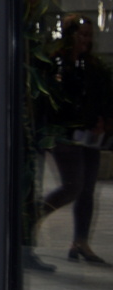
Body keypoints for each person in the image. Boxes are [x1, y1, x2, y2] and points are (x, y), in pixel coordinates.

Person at [39, 14, 113, 265]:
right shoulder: (57, 63)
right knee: (73, 186)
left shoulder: (92, 65)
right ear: (70, 36)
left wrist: (102, 121)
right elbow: (56, 101)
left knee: (87, 190)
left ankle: (80, 241)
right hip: (65, 134)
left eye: (89, 36)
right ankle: (32, 216)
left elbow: (102, 95)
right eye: (82, 35)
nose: (86, 40)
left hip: (89, 134)